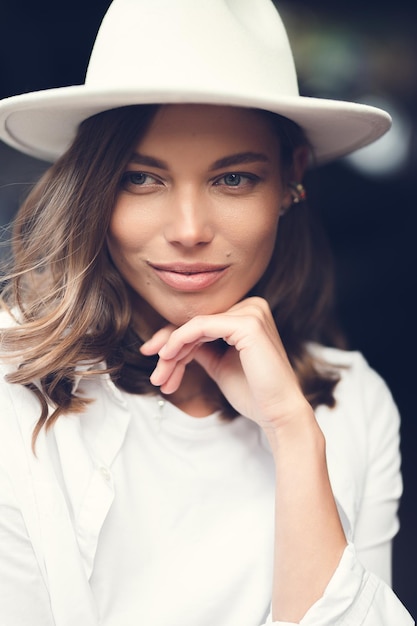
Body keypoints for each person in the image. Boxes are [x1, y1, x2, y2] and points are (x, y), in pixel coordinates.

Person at [0, 1, 413, 624]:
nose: (189, 230)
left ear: (289, 181)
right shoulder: (11, 387)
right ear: (92, 187)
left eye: (233, 180)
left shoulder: (354, 403)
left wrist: (293, 434)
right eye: (141, 178)